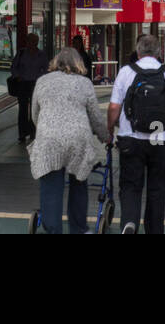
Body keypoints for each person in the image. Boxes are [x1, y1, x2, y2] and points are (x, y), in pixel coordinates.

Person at [107, 33, 165, 235]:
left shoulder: (126, 72)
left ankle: (129, 222)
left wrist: (109, 129)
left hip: (130, 139)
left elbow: (114, 106)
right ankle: (154, 230)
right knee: (157, 189)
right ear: (159, 52)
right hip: (161, 140)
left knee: (130, 186)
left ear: (138, 51)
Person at [27, 47, 108, 234]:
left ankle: (53, 230)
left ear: (55, 62)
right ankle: (78, 229)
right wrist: (105, 136)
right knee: (79, 183)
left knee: (51, 189)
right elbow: (95, 116)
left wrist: (46, 129)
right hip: (78, 140)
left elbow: (34, 114)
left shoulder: (42, 82)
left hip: (49, 139)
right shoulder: (84, 83)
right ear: (78, 63)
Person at [10, 33, 49, 142]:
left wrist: (40, 78)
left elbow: (46, 69)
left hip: (35, 85)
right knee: (22, 109)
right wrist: (17, 77)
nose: (32, 43)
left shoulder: (41, 55)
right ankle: (22, 133)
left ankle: (32, 132)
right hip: (22, 84)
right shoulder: (21, 53)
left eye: (34, 41)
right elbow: (14, 67)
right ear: (27, 41)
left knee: (34, 109)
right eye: (30, 40)